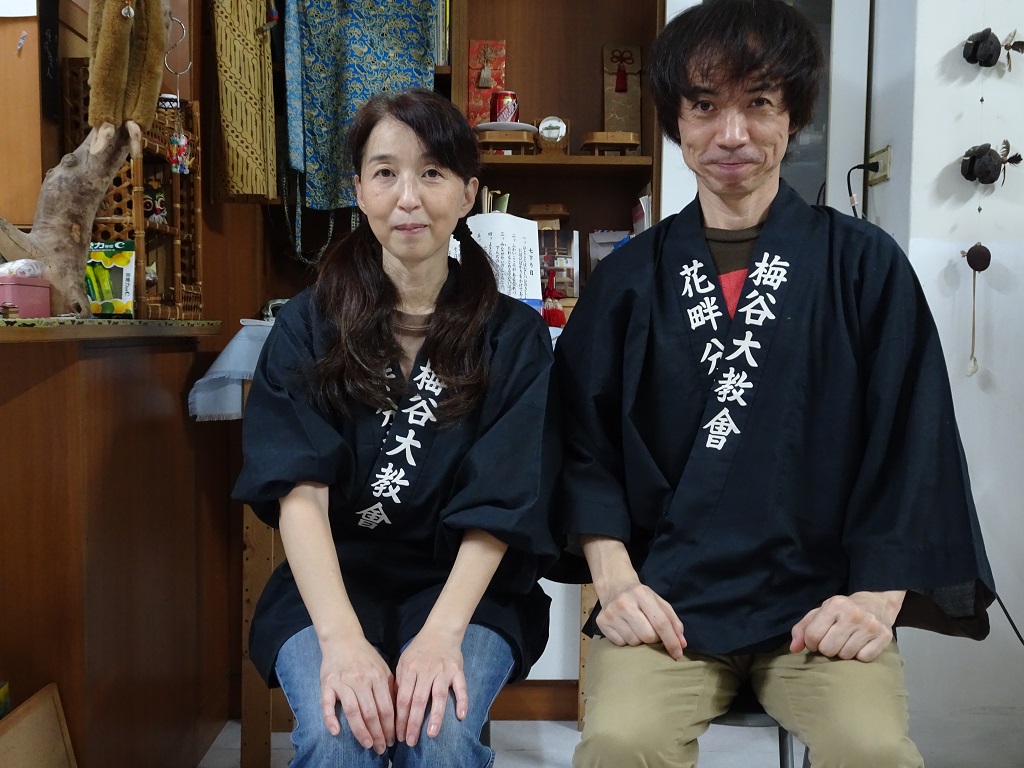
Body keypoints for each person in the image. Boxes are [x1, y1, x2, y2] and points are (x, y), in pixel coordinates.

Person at [553, 2, 996, 766]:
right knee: (622, 740)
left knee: (873, 749)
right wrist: (616, 582)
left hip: (819, 605)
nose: (732, 134)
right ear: (676, 120)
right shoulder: (627, 280)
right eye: (704, 106)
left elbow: (912, 441)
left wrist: (877, 596)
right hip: (668, 605)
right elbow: (579, 445)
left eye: (758, 103)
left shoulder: (864, 266)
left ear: (794, 116)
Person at [233, 87, 558, 767]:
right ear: (359, 191)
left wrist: (441, 636)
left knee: (438, 733)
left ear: (469, 193)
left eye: (432, 172)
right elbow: (297, 491)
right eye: (385, 172)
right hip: (333, 582)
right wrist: (341, 642)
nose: (408, 197)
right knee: (338, 733)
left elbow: (504, 500)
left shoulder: (514, 337)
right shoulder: (308, 324)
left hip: (465, 588)